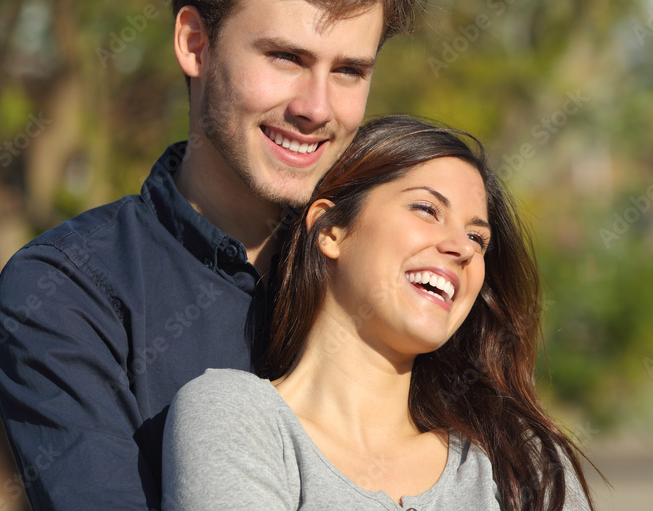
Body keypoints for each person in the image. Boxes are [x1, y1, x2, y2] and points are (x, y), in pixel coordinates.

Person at [0, 0, 421, 510]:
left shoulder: (402, 272)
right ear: (195, 43)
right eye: (285, 57)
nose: (316, 108)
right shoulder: (66, 294)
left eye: (349, 71)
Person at [163, 116, 595, 511]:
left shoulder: (523, 462)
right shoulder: (236, 418)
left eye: (477, 238)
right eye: (427, 209)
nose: (462, 248)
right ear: (330, 230)